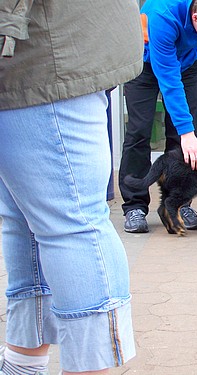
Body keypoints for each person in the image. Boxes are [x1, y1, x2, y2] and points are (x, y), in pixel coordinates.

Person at [0, 0, 143, 373]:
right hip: (37, 44)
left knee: (71, 223)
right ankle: (22, 365)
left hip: (44, 47)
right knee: (26, 219)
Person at [118, 0, 197, 233]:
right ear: (195, 17)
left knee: (180, 137)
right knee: (139, 131)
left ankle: (179, 203)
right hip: (145, 61)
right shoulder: (163, 15)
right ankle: (135, 206)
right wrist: (187, 132)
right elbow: (169, 80)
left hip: (186, 63)